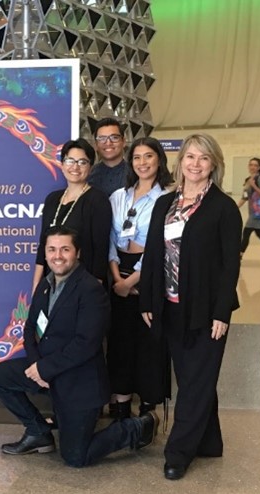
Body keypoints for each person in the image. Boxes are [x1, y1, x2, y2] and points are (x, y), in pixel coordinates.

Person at [0, 226, 158, 467]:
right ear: (45, 254)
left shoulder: (91, 290)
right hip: (48, 371)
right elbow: (29, 329)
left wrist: (45, 369)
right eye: (52, 249)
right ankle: (38, 432)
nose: (58, 255)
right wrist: (37, 365)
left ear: (77, 253)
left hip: (80, 383)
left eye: (65, 249)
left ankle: (136, 427)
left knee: (76, 457)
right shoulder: (45, 284)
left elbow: (86, 344)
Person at [140, 133, 242, 480]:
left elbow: (231, 265)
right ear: (180, 161)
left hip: (205, 310)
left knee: (196, 381)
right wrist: (148, 299)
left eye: (204, 158)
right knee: (192, 378)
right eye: (190, 157)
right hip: (170, 307)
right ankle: (210, 442)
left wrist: (221, 312)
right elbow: (153, 254)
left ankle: (178, 453)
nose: (195, 164)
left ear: (214, 164)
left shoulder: (223, 207)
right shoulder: (164, 204)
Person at [106, 137, 173, 420]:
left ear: (159, 159)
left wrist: (132, 281)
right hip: (117, 270)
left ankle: (148, 407)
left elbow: (162, 244)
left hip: (150, 271)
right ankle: (120, 402)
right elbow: (110, 237)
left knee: (149, 340)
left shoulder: (167, 197)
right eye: (137, 157)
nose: (142, 162)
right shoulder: (117, 196)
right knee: (120, 339)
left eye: (148, 156)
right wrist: (116, 280)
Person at [32, 138, 111, 292]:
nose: (75, 167)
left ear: (90, 166)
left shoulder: (98, 200)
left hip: (83, 283)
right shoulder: (52, 199)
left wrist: (94, 290)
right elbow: (43, 245)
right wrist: (36, 285)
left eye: (82, 162)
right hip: (52, 280)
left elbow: (101, 250)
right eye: (70, 161)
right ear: (62, 165)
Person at [88, 117, 127, 196]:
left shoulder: (136, 173)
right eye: (102, 138)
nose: (108, 143)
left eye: (114, 138)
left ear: (123, 142)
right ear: (96, 144)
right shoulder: (88, 175)